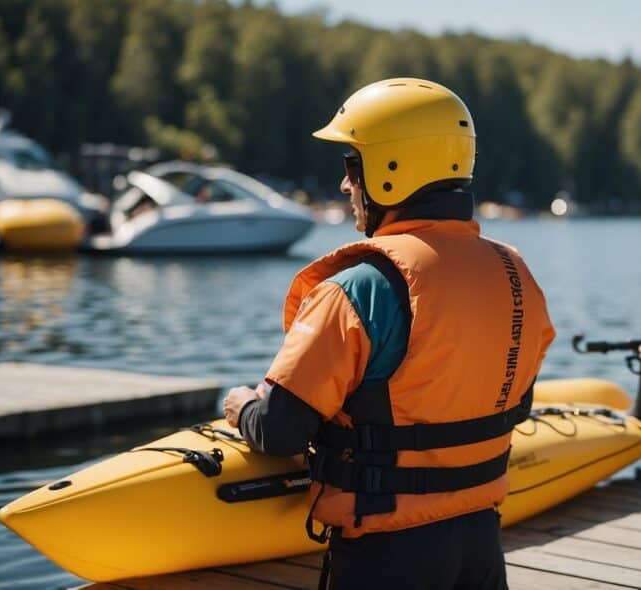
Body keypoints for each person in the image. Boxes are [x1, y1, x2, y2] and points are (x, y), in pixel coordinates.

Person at [223, 78, 555, 590]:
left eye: (352, 166)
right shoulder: (516, 275)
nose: (344, 185)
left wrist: (242, 403)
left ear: (391, 171)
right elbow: (516, 404)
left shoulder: (360, 289)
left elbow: (281, 429)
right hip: (481, 545)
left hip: (387, 552)